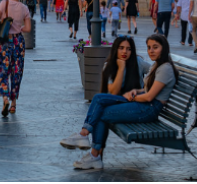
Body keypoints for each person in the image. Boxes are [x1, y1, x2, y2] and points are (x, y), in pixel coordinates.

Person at [59, 35, 178, 170]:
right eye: (149, 47)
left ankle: (89, 146)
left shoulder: (164, 68)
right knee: (99, 100)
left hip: (148, 108)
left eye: (155, 47)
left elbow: (150, 97)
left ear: (164, 49)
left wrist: (132, 97)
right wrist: (137, 91)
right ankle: (89, 146)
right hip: (143, 104)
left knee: (101, 110)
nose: (151, 51)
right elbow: (146, 90)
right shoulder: (157, 65)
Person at [0, 0, 32, 117]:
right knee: (16, 71)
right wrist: (18, 28)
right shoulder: (24, 8)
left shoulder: (4, 4)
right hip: (18, 41)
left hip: (5, 40)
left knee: (3, 69)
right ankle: (13, 103)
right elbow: (28, 29)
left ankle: (5, 99)